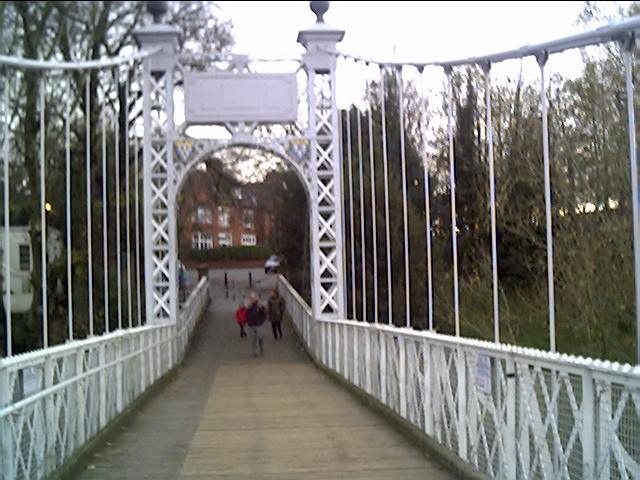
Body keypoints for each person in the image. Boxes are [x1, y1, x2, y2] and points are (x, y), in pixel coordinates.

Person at [246, 292, 267, 357]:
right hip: (251, 325)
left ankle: (261, 349)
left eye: (252, 298)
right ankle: (254, 353)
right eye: (250, 298)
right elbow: (246, 315)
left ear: (255, 298)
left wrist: (261, 321)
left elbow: (264, 314)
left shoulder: (260, 306)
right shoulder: (249, 307)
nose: (251, 299)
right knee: (253, 340)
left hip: (258, 325)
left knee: (260, 337)